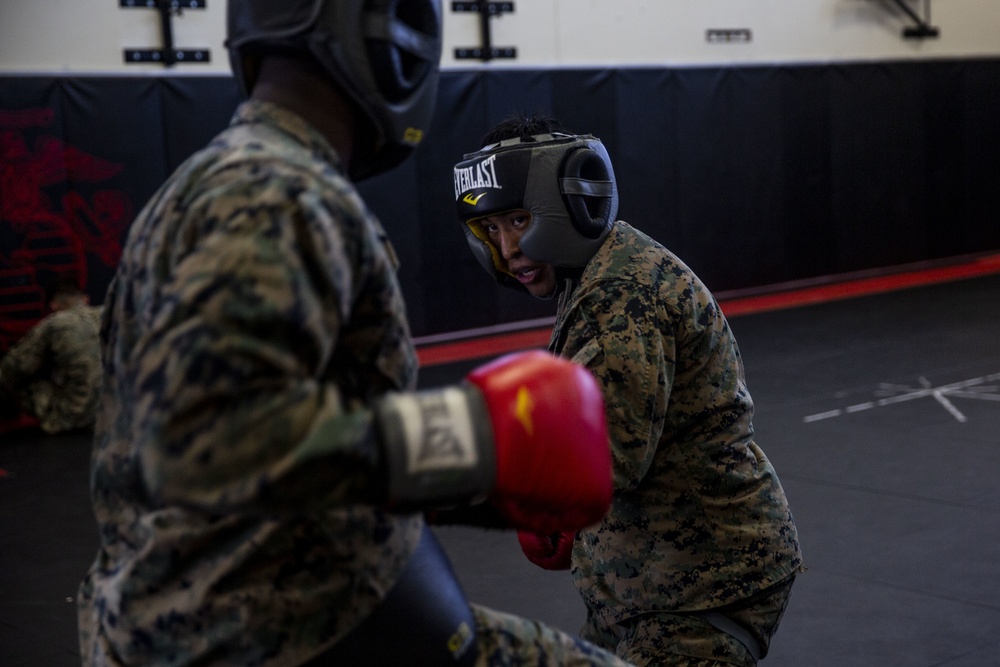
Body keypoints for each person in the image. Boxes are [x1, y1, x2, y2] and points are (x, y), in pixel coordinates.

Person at [78, 3, 632, 666]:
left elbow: (272, 451)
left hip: (239, 612)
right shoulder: (276, 190)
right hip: (270, 630)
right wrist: (474, 441)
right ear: (391, 45)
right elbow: (210, 441)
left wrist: (483, 488)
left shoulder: (204, 183)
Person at [453, 113, 805, 666]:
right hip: (644, 583)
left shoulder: (619, 292)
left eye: (520, 220)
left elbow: (602, 460)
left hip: (700, 587)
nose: (509, 248)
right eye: (491, 230)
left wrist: (443, 469)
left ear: (570, 200)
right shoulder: (592, 272)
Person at [0, 276, 102, 434]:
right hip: (114, 415)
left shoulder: (54, 323)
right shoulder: (108, 314)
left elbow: (14, 367)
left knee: (11, 376)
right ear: (85, 299)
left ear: (53, 305)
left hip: (72, 416)